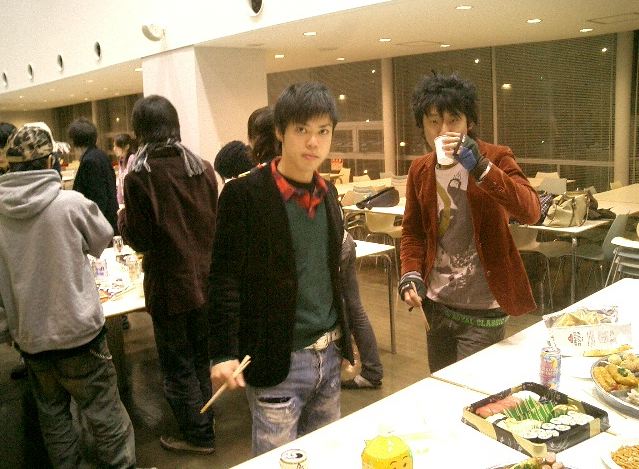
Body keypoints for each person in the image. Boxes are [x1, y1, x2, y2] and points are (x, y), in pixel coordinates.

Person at [209, 81, 354, 456]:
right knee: (278, 462)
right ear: (280, 131)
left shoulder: (328, 194)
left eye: (323, 131)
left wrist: (346, 347)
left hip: (329, 353)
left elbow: (333, 278)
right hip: (279, 360)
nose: (313, 142)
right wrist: (223, 352)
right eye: (302, 129)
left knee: (326, 457)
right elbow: (223, 278)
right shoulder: (244, 195)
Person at [0, 125, 136, 468]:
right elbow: (102, 239)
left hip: (31, 338)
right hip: (79, 333)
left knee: (54, 419)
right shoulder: (70, 204)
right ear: (51, 162)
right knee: (105, 414)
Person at [398, 73, 541, 373]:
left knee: (473, 392)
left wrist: (481, 167)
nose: (444, 130)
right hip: (436, 306)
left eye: (454, 120)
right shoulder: (420, 169)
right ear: (423, 126)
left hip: (483, 311)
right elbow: (412, 232)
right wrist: (410, 273)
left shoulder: (495, 157)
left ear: (469, 123)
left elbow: (531, 211)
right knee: (442, 388)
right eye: (434, 121)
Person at [118, 95, 218, 455]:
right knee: (201, 358)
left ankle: (198, 434)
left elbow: (140, 238)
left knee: (178, 366)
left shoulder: (140, 175)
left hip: (170, 285)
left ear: (139, 130)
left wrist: (122, 217)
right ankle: (205, 419)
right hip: (207, 280)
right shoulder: (202, 167)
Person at [340, 231, 384, 389]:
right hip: (344, 240)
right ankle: (372, 371)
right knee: (355, 310)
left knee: (339, 311)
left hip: (335, 244)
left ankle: (326, 375)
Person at [68, 117, 118, 233]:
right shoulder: (101, 155)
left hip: (100, 227)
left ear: (75, 140)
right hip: (110, 221)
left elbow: (97, 200)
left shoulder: (89, 161)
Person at [114, 133, 137, 205]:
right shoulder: (121, 160)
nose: (114, 149)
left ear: (127, 146)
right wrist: (119, 203)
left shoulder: (132, 159)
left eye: (117, 146)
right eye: (114, 146)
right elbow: (120, 185)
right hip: (125, 202)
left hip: (132, 200)